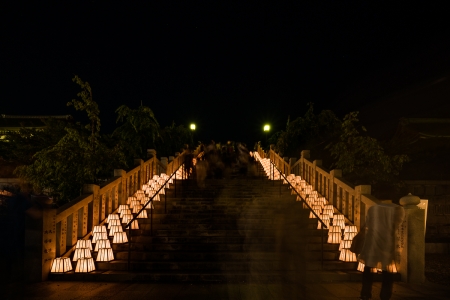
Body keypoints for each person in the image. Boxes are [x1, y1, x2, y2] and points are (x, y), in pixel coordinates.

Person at [358, 203, 405, 300]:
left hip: (372, 242)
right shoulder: (398, 210)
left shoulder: (372, 208)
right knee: (387, 271)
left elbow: (368, 223)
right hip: (387, 243)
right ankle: (385, 295)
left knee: (368, 268)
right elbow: (398, 224)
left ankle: (365, 293)